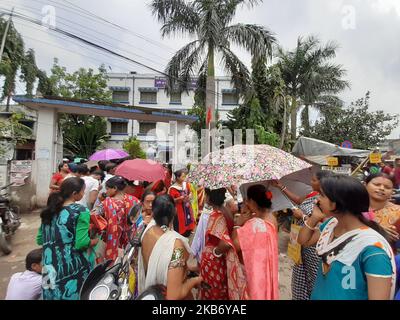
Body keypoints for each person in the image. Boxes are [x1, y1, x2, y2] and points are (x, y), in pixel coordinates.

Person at [297, 175, 397, 300]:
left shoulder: (372, 249)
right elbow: (304, 241)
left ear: (334, 204)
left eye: (322, 195)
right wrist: (314, 218)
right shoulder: (331, 225)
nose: (317, 199)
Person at [272, 171, 334, 300]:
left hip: (314, 245)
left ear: (322, 183)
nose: (311, 182)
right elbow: (299, 200)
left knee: (314, 277)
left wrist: (303, 216)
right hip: (302, 241)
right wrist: (281, 186)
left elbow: (327, 223)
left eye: (313, 180)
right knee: (302, 274)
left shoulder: (327, 200)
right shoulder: (313, 195)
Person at [36, 177, 98, 300]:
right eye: (83, 191)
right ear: (75, 194)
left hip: (49, 264)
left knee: (51, 294)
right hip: (73, 265)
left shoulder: (49, 210)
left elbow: (40, 239)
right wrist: (95, 241)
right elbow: (81, 243)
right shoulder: (81, 211)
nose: (84, 194)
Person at [137, 194, 202, 299]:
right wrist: (194, 281)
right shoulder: (177, 247)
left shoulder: (147, 230)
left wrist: (186, 268)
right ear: (174, 212)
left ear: (153, 212)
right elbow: (173, 296)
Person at [231, 184, 279, 300]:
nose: (246, 202)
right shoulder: (272, 219)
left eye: (247, 199)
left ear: (252, 201)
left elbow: (234, 245)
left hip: (253, 272)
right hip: (267, 269)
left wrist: (238, 223)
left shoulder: (255, 224)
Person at [199, 188, 237, 300]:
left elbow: (226, 243)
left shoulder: (216, 215)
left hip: (214, 263)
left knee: (212, 292)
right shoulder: (226, 210)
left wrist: (215, 252)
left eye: (206, 194)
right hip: (220, 261)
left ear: (210, 198)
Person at [102, 176, 138, 261]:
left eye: (107, 189)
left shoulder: (106, 203)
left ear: (114, 188)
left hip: (112, 240)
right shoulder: (134, 200)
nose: (106, 192)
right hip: (130, 239)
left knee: (113, 264)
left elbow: (95, 217)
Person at [365, 173, 400, 251]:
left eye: (387, 187)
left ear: (392, 191)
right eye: (377, 184)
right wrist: (376, 229)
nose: (381, 188)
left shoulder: (398, 212)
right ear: (365, 185)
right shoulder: (352, 208)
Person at [168, 168, 195, 237]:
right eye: (183, 176)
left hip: (187, 206)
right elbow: (170, 200)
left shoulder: (186, 184)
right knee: (181, 222)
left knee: (189, 219)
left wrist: (190, 195)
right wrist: (178, 199)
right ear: (177, 177)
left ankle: (188, 231)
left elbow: (190, 192)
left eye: (185, 176)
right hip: (179, 209)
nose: (184, 178)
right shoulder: (173, 188)